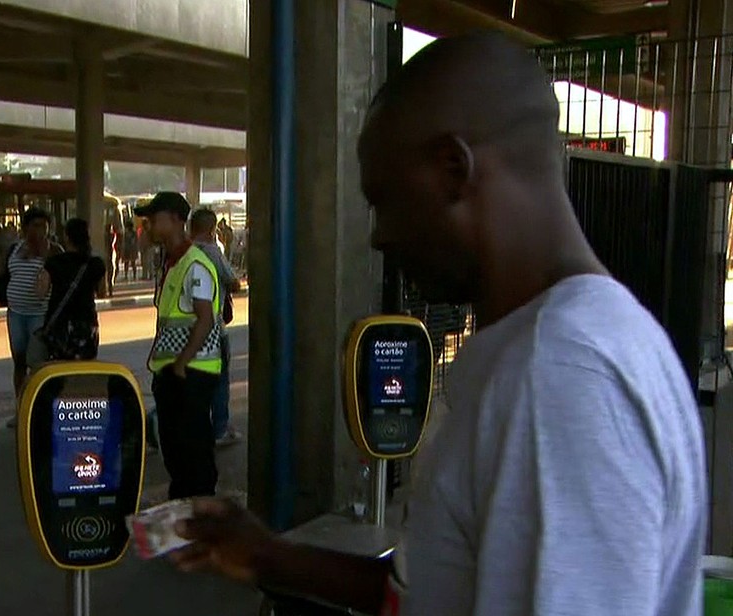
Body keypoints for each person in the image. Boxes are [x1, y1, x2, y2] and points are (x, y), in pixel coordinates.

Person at [170, 33, 706, 616]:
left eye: (385, 199)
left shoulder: (562, 378)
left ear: (455, 168)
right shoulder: (558, 350)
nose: (378, 235)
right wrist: (270, 558)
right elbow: (438, 589)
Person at [135, 192, 223, 499]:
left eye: (154, 219)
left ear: (175, 220)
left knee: (193, 448)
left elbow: (205, 319)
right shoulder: (173, 262)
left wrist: (182, 363)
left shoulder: (194, 265)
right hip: (174, 373)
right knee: (174, 448)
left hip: (192, 372)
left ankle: (200, 513)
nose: (149, 226)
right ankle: (184, 512)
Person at [0, 208, 62, 428]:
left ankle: (41, 411)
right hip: (16, 314)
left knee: (38, 364)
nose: (41, 231)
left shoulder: (54, 251)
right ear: (25, 228)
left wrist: (46, 257)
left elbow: (63, 278)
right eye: (36, 226)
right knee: (19, 362)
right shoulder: (13, 250)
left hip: (41, 315)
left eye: (44, 226)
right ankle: (21, 411)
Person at [189, 209, 242, 445]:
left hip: (185, 330)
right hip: (214, 328)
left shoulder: (183, 252)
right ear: (212, 229)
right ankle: (220, 428)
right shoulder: (212, 252)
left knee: (190, 383)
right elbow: (234, 282)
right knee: (219, 381)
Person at [34, 218, 107, 362]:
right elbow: (102, 292)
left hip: (58, 328)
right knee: (84, 368)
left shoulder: (54, 262)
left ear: (67, 237)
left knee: (59, 368)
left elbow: (40, 293)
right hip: (86, 326)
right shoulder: (96, 264)